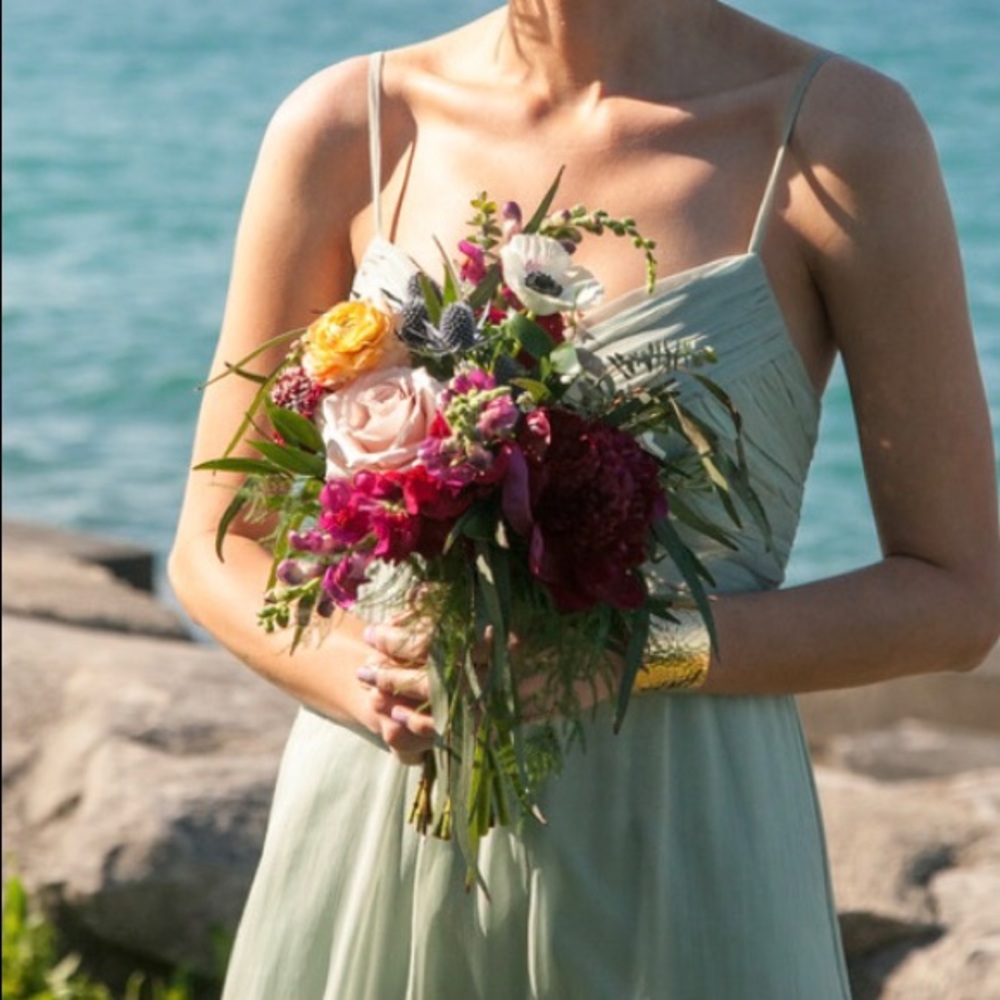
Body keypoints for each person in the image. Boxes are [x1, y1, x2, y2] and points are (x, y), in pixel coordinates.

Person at [169, 1, 999, 996]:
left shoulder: (840, 134)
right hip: (383, 806)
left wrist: (623, 657)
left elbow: (956, 595)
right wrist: (377, 680)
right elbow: (218, 546)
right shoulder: (354, 122)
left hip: (686, 830)